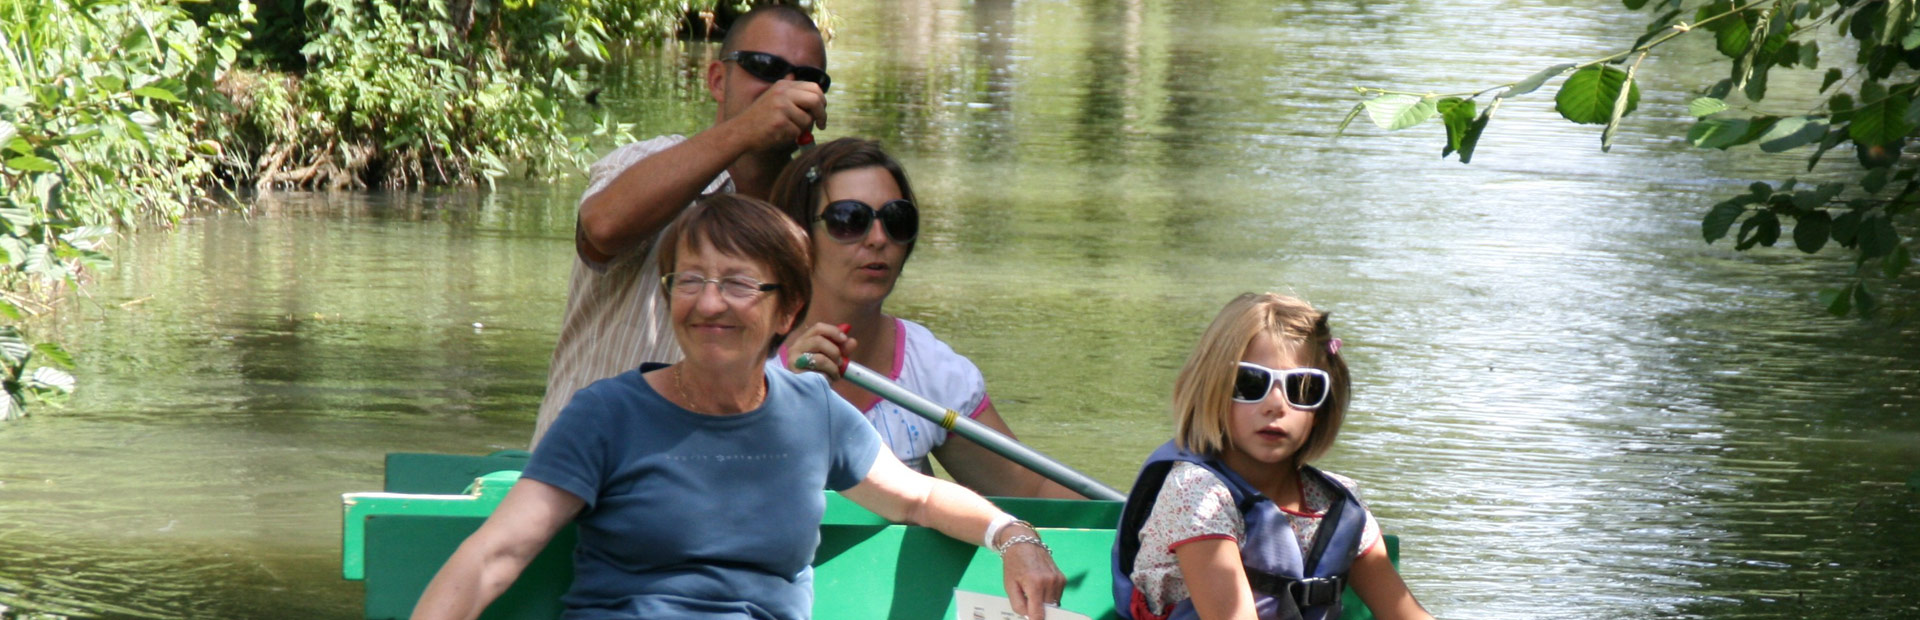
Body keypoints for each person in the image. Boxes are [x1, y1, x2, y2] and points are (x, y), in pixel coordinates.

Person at [414, 195, 1066, 620]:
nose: (709, 303)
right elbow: (495, 554)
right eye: (690, 280)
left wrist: (1015, 537)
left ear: (787, 311)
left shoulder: (813, 414)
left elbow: (919, 498)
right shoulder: (606, 416)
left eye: (737, 284)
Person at [533, 4, 831, 448]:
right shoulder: (647, 160)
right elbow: (602, 229)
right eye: (764, 68)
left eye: (807, 77)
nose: (785, 89)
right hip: (586, 467)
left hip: (717, 474)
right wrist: (746, 129)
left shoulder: (820, 212)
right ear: (718, 80)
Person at [765, 138, 1083, 499]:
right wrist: (783, 410)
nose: (878, 238)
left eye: (896, 220)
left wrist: (1133, 517)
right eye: (849, 219)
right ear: (798, 236)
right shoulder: (741, 353)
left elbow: (1032, 491)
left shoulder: (928, 366)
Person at [1111, 293, 1431, 620]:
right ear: (1212, 391)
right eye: (1249, 383)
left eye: (1302, 388)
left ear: (1321, 408)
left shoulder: (1336, 503)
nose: (1276, 405)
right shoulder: (1197, 493)